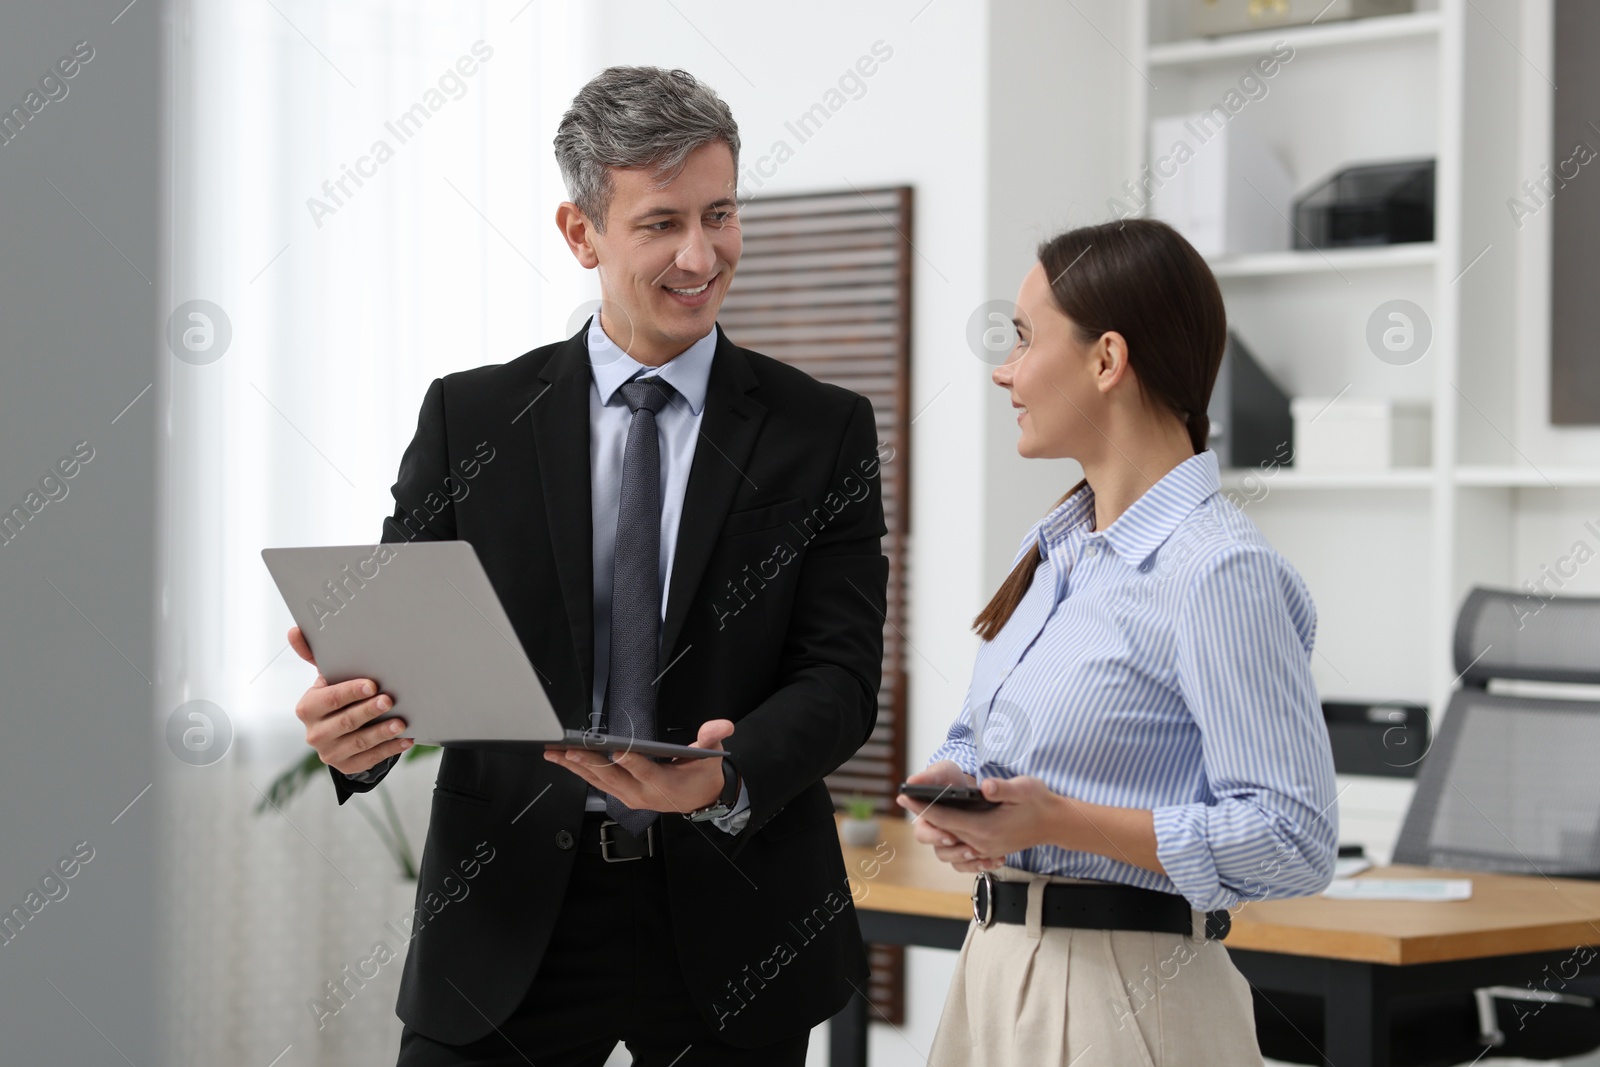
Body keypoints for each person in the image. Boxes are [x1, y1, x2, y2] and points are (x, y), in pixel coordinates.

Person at [287, 66, 888, 1066]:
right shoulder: (470, 418)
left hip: (735, 913)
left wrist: (721, 775)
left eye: (721, 213)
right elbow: (407, 654)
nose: (701, 254)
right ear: (581, 233)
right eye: (660, 224)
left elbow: (839, 676)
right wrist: (358, 729)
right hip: (508, 913)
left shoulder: (820, 430)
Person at [897, 218, 1338, 1066]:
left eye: (1024, 339)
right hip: (994, 972)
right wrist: (960, 791)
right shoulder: (1057, 551)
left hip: (1123, 995)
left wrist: (1060, 820)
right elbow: (981, 742)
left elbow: (1294, 837)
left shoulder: (1218, 572)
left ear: (1107, 360)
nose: (1004, 370)